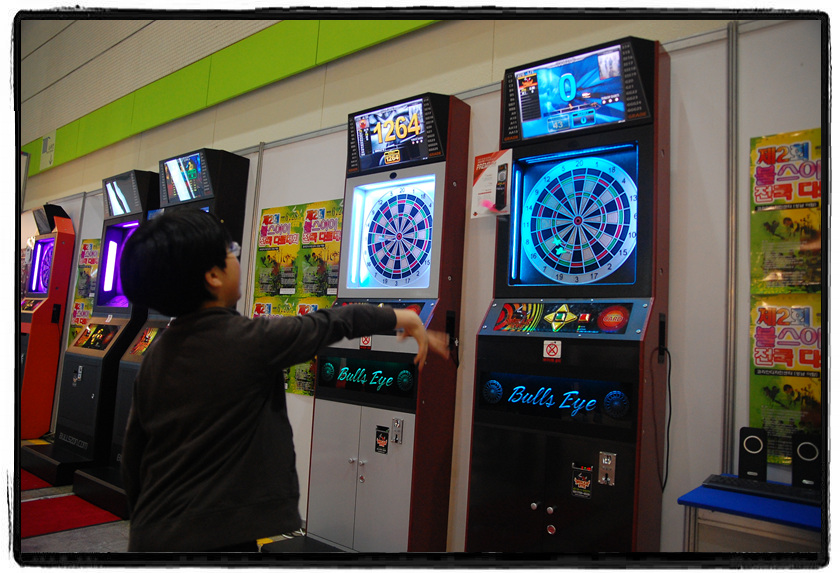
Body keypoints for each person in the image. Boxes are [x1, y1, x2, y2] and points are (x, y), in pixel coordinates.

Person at [118, 209, 449, 552]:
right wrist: (403, 317)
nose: (236, 258)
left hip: (153, 532)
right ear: (213, 275)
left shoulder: (157, 353)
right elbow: (331, 322)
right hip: (217, 534)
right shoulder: (249, 341)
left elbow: (134, 454)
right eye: (231, 250)